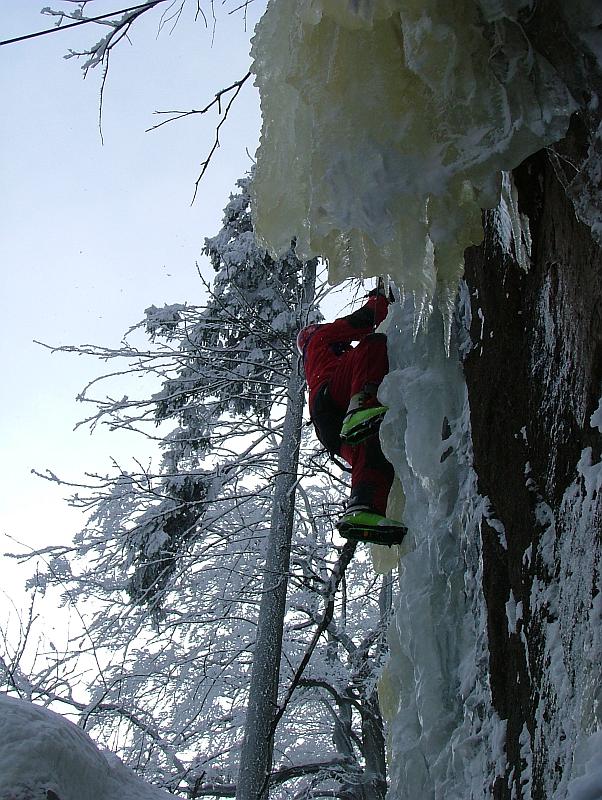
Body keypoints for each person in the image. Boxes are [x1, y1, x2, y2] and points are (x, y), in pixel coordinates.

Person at [298, 288, 407, 546]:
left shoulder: (317, 362)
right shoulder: (321, 338)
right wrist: (380, 297)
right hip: (333, 399)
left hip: (328, 429)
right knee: (373, 346)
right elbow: (365, 319)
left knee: (373, 447)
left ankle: (363, 508)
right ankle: (361, 405)